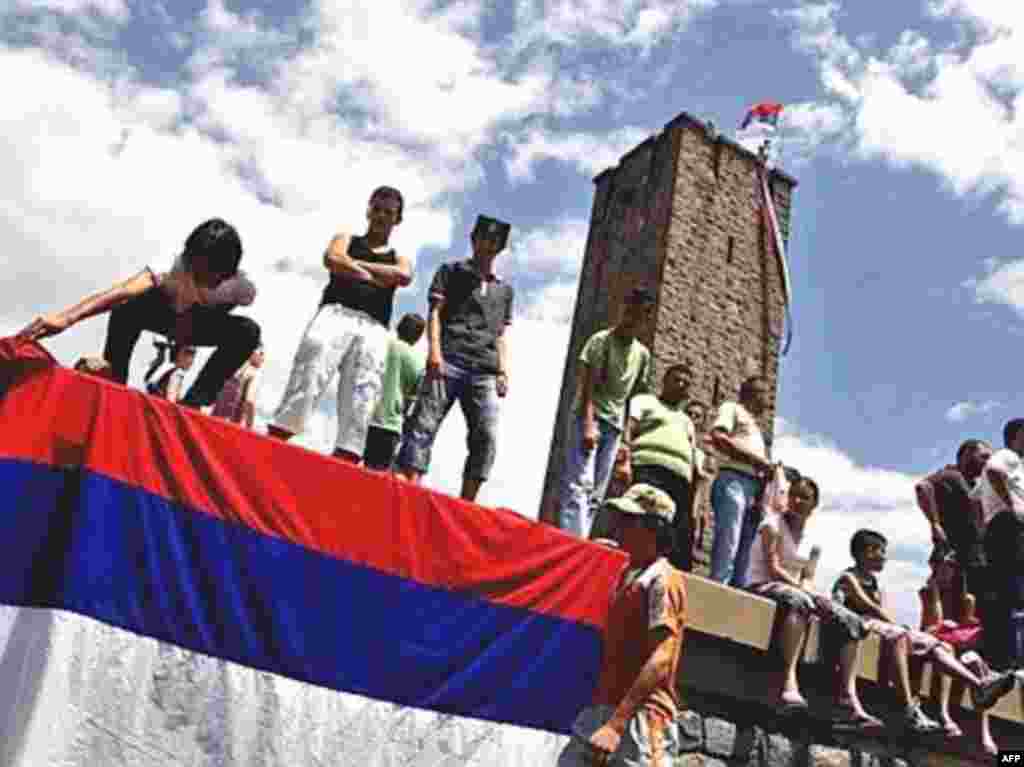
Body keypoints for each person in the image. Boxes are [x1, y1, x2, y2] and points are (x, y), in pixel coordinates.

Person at [18, 219, 260, 408]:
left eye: (210, 274)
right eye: (196, 268)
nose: (200, 276)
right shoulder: (172, 265)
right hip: (163, 315)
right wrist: (67, 318)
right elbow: (123, 290)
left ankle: (196, 399)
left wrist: (198, 316)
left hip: (196, 326)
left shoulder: (242, 288)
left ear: (227, 273)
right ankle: (115, 374)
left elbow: (233, 310)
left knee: (248, 331)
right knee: (127, 304)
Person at [269, 187, 411, 463]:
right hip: (335, 313)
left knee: (363, 392)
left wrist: (353, 267)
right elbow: (333, 258)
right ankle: (277, 439)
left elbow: (403, 275)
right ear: (368, 210)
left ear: (398, 219)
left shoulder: (399, 257)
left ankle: (347, 455)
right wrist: (373, 275)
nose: (381, 216)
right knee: (310, 370)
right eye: (377, 209)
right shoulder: (345, 238)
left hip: (374, 327)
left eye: (388, 212)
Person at [556, 484, 687, 767]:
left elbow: (662, 659)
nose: (619, 527)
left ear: (654, 529)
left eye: (629, 521)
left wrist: (617, 724)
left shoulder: (662, 579)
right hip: (603, 707)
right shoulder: (630, 573)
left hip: (641, 718)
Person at [833, 530, 1014, 733]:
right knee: (901, 636)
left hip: (878, 626)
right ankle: (908, 708)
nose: (884, 556)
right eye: (880, 551)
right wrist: (900, 627)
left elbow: (880, 613)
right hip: (860, 626)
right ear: (865, 552)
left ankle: (980, 684)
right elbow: (870, 608)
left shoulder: (874, 583)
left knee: (937, 646)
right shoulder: (848, 577)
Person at [744, 476, 881, 728]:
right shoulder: (771, 524)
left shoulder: (813, 540)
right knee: (800, 601)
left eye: (805, 497)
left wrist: (812, 594)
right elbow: (773, 568)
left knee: (850, 621)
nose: (797, 501)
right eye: (794, 495)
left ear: (814, 504)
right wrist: (804, 592)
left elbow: (807, 576)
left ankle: (847, 696)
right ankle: (788, 681)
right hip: (763, 584)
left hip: (795, 588)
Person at [395, 216, 513, 502]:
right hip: (449, 358)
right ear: (473, 240)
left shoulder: (504, 290)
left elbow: (501, 334)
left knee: (486, 434)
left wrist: (503, 370)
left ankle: (467, 502)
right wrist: (434, 351)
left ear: (500, 248)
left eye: (495, 241)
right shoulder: (451, 271)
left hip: (484, 369)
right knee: (424, 423)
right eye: (484, 238)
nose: (488, 245)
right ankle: (411, 488)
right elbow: (435, 312)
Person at [557, 287, 655, 538]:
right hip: (590, 416)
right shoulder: (601, 341)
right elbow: (587, 388)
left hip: (614, 425)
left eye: (640, 315)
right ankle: (573, 539)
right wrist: (588, 425)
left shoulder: (642, 355)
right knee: (580, 483)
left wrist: (625, 442)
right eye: (631, 312)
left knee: (597, 493)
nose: (633, 319)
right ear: (624, 310)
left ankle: (582, 537)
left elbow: (632, 398)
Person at [918, 550, 1001, 754]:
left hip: (960, 648)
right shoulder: (927, 592)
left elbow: (967, 632)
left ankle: (983, 732)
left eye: (951, 567)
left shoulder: (967, 599)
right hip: (936, 646)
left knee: (976, 662)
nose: (946, 571)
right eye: (942, 566)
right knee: (946, 651)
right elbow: (929, 627)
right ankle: (943, 714)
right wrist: (935, 593)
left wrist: (964, 627)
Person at [623, 363, 699, 570]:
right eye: (676, 380)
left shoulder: (687, 421)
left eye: (686, 383)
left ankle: (667, 575)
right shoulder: (645, 401)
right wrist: (624, 461)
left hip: (680, 480)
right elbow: (628, 430)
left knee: (676, 532)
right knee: (642, 520)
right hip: (649, 469)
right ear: (665, 381)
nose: (681, 385)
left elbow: (692, 455)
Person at [915, 439, 993, 619]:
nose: (988, 462)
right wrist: (934, 524)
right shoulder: (951, 475)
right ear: (966, 455)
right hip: (955, 558)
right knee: (954, 616)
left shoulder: (975, 486)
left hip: (976, 561)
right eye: (984, 456)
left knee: (976, 616)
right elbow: (923, 488)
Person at [708, 376, 773, 586]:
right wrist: (757, 461)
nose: (769, 401)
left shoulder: (757, 430)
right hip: (734, 480)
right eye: (766, 394)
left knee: (744, 548)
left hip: (753, 489)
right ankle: (718, 586)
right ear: (755, 393)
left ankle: (735, 591)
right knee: (729, 538)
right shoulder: (733, 409)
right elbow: (719, 436)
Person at [976, 419, 1024, 668]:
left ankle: (1005, 656)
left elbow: (975, 497)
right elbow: (994, 472)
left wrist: (985, 524)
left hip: (1000, 528)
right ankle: (1012, 659)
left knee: (1005, 593)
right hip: (1009, 527)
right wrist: (1012, 506)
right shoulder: (1008, 456)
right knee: (1014, 591)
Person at [364, 314, 425, 471]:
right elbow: (412, 401)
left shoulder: (381, 344)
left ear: (398, 327)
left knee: (346, 466)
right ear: (419, 337)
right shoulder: (418, 362)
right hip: (390, 425)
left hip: (364, 415)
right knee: (375, 476)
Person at [210, 345, 264, 428]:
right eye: (261, 355)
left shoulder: (235, 365)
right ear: (253, 353)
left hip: (216, 419)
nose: (262, 360)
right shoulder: (253, 373)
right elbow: (249, 402)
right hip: (230, 422)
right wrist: (249, 427)